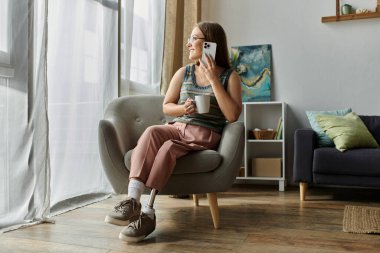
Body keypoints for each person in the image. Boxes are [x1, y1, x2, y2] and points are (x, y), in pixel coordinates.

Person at [104, 21, 242, 243]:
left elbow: (233, 115)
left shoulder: (230, 77)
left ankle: (148, 214)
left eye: (193, 38)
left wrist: (214, 80)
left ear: (209, 44)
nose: (188, 44)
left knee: (168, 148)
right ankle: (132, 201)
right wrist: (182, 108)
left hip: (204, 133)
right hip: (177, 127)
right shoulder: (184, 72)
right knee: (151, 132)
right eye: (188, 38)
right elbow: (167, 106)